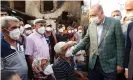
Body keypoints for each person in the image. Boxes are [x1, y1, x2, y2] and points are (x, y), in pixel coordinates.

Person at [66, 4, 125, 80]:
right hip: (93, 64)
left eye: (94, 15)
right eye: (90, 16)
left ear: (102, 12)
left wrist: (120, 64)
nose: (92, 18)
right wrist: (72, 51)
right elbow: (85, 40)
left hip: (109, 65)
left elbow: (120, 45)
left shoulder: (114, 23)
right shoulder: (91, 25)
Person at [124, 0, 133, 80]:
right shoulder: (130, 26)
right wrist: (126, 68)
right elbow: (128, 48)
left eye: (130, 10)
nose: (128, 12)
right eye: (127, 10)